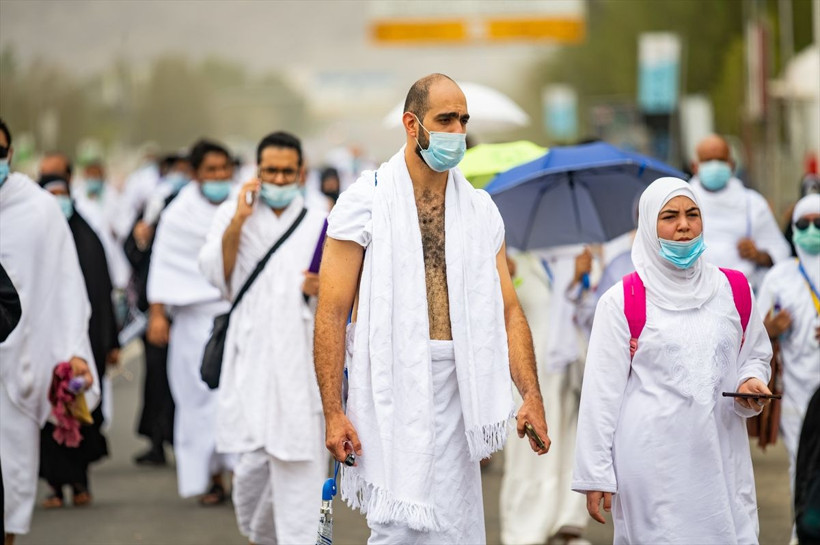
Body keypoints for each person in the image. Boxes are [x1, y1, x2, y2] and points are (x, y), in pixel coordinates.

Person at [314, 74, 550, 544]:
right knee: (397, 527)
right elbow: (331, 313)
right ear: (412, 124)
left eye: (463, 120)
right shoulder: (364, 202)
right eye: (445, 120)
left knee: (458, 528)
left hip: (461, 386)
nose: (457, 131)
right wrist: (333, 412)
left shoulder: (480, 210)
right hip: (390, 386)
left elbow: (508, 310)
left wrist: (530, 394)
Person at [573, 176, 774, 544]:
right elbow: (601, 395)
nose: (684, 225)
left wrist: (750, 381)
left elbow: (755, 354)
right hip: (653, 469)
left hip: (722, 459)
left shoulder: (734, 289)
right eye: (669, 216)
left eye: (692, 214)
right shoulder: (622, 301)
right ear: (648, 227)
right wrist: (596, 473)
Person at [198, 131, 327, 544]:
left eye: (287, 172)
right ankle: (263, 535)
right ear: (258, 171)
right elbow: (217, 275)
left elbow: (344, 286)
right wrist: (238, 220)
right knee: (252, 470)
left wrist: (321, 287)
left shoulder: (320, 218)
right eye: (271, 171)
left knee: (301, 462)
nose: (279, 179)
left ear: (301, 173)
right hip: (250, 357)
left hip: (299, 359)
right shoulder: (234, 212)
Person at [0, 119, 97, 545]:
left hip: (23, 359)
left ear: (10, 154)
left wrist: (74, 351)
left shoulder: (39, 209)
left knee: (11, 478)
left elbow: (66, 286)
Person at [146, 140, 235, 505]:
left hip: (237, 317)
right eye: (211, 170)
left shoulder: (244, 205)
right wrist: (157, 314)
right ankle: (211, 477)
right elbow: (162, 264)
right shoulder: (177, 215)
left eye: (224, 168)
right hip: (192, 320)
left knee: (236, 397)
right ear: (196, 173)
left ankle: (241, 474)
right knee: (197, 400)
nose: (219, 176)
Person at [500, 245, 595, 545]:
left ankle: (566, 525)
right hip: (525, 371)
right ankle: (523, 532)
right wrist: (497, 275)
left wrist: (579, 281)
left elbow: (588, 314)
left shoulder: (574, 255)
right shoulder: (510, 256)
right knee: (528, 453)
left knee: (568, 442)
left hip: (566, 371)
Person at [36, 171, 119, 508]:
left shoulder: (88, 240)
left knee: (79, 409)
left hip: (85, 341)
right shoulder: (35, 239)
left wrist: (111, 342)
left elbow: (103, 294)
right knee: (48, 412)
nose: (59, 202)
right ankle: (55, 486)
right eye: (51, 195)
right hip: (42, 342)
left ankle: (81, 482)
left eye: (63, 194)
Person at [757, 193, 820, 539]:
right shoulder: (780, 276)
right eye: (802, 224)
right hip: (797, 389)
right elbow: (753, 332)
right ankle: (802, 532)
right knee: (801, 461)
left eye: (818, 224)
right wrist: (771, 328)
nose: (811, 230)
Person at [124, 156, 189, 466]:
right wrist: (140, 240)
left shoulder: (198, 213)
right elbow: (135, 255)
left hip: (190, 310)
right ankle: (157, 441)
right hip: (157, 310)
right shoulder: (155, 209)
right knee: (157, 379)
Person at [689, 134, 790, 288]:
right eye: (708, 160)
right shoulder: (681, 202)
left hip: (743, 292)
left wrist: (758, 255)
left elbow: (781, 251)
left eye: (720, 160)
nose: (715, 166)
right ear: (695, 166)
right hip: (695, 289)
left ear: (732, 164)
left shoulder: (752, 203)